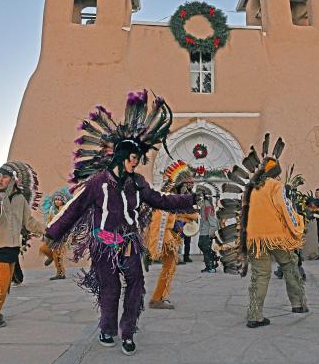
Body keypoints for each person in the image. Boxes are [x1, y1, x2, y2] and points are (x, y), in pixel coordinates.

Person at [45, 90, 198, 356]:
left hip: (129, 242)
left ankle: (128, 332)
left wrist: (189, 199)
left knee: (136, 286)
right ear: (121, 157)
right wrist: (51, 235)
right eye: (132, 158)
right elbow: (73, 209)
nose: (135, 163)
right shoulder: (98, 183)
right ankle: (108, 328)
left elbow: (159, 199)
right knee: (111, 288)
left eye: (138, 160)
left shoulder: (138, 183)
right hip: (103, 244)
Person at [236, 136, 308, 328]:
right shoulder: (276, 187)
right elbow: (286, 210)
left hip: (254, 239)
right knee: (290, 265)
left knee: (260, 275)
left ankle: (255, 315)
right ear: (276, 173)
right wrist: (299, 225)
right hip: (276, 237)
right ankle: (298, 304)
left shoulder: (251, 189)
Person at [0, 161, 46, 327]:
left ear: (14, 179)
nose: (0, 179)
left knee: (3, 282)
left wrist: (47, 229)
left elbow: (28, 222)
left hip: (13, 247)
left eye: (5, 176)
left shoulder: (20, 198)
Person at [145, 160, 199, 309]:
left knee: (170, 266)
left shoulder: (177, 195)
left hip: (171, 236)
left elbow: (180, 213)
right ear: (180, 184)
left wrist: (186, 219)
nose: (190, 188)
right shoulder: (168, 195)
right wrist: (178, 223)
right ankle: (157, 299)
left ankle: (158, 297)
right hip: (166, 236)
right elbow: (162, 216)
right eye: (188, 184)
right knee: (169, 266)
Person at [39, 188, 72, 280]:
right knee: (44, 248)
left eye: (59, 199)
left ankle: (60, 273)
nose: (57, 201)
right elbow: (49, 221)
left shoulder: (66, 210)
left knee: (57, 253)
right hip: (52, 234)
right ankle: (51, 257)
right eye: (56, 199)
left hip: (61, 235)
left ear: (63, 200)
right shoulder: (51, 210)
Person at [198, 193, 219, 273]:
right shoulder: (203, 205)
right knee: (201, 245)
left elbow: (213, 222)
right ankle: (213, 256)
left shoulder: (207, 206)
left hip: (207, 231)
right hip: (203, 230)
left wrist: (212, 233)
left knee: (206, 248)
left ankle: (210, 267)